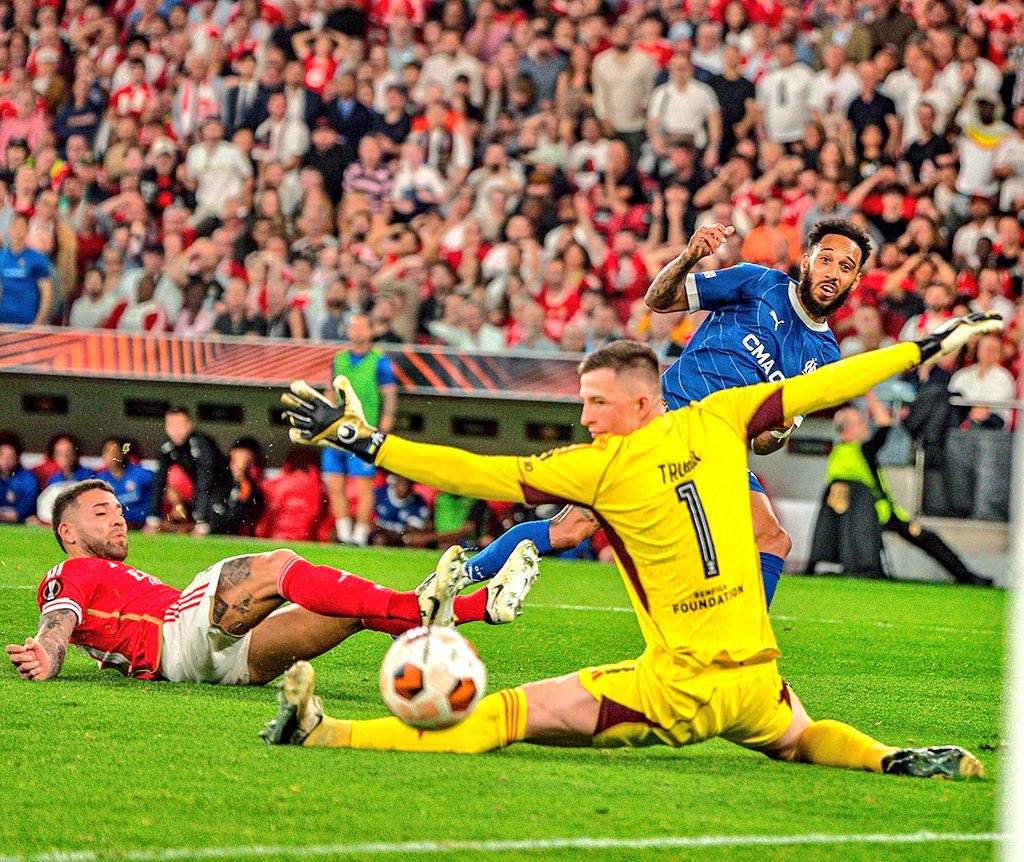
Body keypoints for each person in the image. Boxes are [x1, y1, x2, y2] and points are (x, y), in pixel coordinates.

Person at [266, 317, 995, 779]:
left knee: (505, 715)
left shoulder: (604, 466)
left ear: (644, 403)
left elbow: (474, 469)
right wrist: (921, 347)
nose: (585, 417)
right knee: (801, 738)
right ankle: (887, 757)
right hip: (757, 683)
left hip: (679, 689)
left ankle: (327, 734)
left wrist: (360, 440)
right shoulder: (719, 417)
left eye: (597, 404)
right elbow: (826, 383)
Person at [457, 217, 869, 607]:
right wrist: (689, 257)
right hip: (666, 422)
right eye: (826, 259)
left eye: (845, 267)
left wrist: (778, 430)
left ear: (856, 280)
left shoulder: (826, 355)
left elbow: (764, 444)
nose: (833, 272)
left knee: (771, 540)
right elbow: (658, 300)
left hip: (717, 450)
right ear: (806, 261)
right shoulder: (758, 282)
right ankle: (457, 575)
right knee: (571, 530)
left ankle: (744, 649)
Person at [5, 480, 539, 684]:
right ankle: (428, 601)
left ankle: (479, 608)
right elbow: (59, 619)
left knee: (350, 609)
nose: (119, 518)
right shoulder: (72, 569)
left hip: (218, 664)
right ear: (68, 531)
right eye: (103, 512)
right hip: (179, 633)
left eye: (119, 509)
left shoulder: (112, 573)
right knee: (278, 564)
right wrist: (49, 653)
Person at [808, 393, 990, 586]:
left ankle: (966, 575)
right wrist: (869, 394)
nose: (866, 425)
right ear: (849, 429)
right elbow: (886, 423)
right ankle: (966, 576)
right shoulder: (863, 450)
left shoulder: (838, 453)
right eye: (861, 422)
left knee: (925, 538)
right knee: (927, 538)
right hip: (878, 513)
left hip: (856, 518)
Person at [323, 314, 397, 547]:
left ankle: (360, 535)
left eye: (361, 327)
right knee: (334, 483)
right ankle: (344, 533)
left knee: (365, 485)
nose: (356, 332)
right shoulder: (340, 359)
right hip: (338, 428)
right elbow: (330, 390)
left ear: (370, 331)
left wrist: (386, 422)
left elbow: (390, 394)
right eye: (352, 327)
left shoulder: (379, 361)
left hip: (365, 430)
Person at [145, 406, 231, 536]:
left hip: (223, 494)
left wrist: (201, 519)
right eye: (171, 426)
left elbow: (206, 482)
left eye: (180, 425)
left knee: (211, 530)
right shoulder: (167, 447)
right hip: (198, 496)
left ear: (190, 425)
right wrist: (153, 518)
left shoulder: (202, 444)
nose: (176, 431)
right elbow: (159, 481)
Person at [93, 437, 154, 528]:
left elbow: (162, 488)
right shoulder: (100, 479)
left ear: (123, 454)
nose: (112, 456)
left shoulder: (140, 473)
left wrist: (154, 520)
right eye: (107, 452)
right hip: (113, 526)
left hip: (142, 525)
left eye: (115, 451)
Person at [0, 431, 39, 524]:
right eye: (2, 455)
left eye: (10, 456)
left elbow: (21, 513)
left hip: (22, 525)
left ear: (17, 458)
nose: (6, 461)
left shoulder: (28, 480)